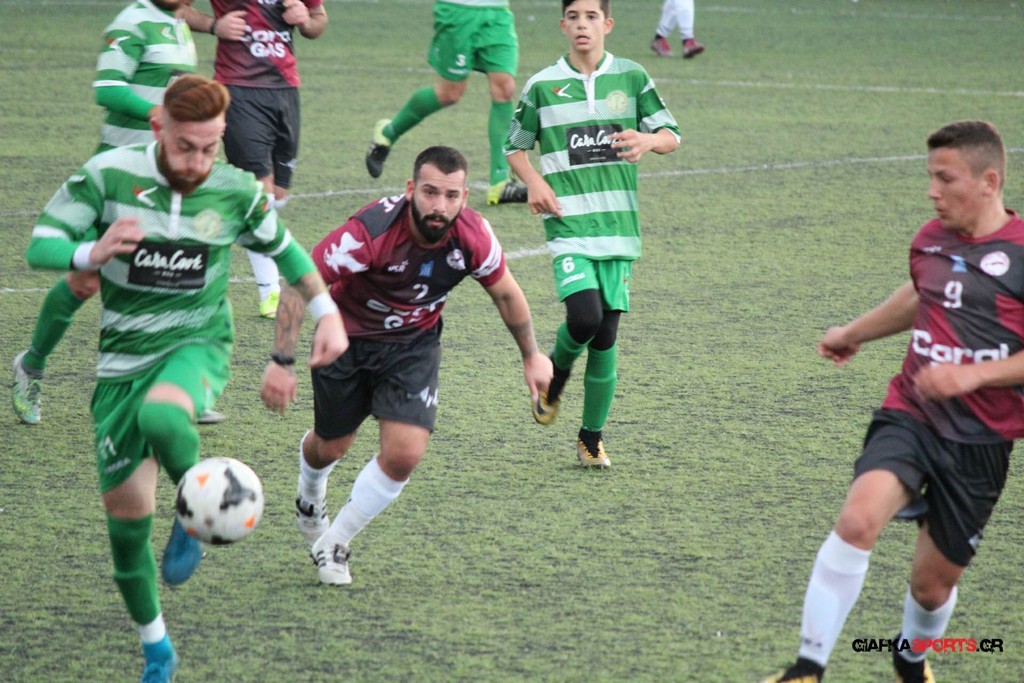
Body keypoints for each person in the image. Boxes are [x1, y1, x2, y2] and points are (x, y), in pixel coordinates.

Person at [24, 74, 347, 682]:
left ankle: (191, 509)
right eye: (184, 147)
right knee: (125, 535)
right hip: (121, 363)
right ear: (158, 128)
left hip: (197, 344)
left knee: (163, 414)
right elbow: (40, 244)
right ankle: (156, 648)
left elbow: (286, 251)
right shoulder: (109, 176)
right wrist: (90, 253)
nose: (198, 162)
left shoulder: (234, 190)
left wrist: (326, 314)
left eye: (210, 147)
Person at [763, 120, 1024, 683]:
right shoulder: (931, 238)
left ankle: (910, 656)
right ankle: (807, 668)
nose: (932, 191)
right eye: (930, 177)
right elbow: (919, 294)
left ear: (989, 181)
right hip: (912, 412)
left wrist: (973, 376)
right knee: (858, 520)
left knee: (931, 589)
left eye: (945, 179)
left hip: (982, 440)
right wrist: (854, 332)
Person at [260, 146, 552, 585]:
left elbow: (507, 294)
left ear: (464, 197)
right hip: (347, 341)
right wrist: (282, 361)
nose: (440, 206)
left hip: (413, 346)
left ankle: (335, 542)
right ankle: (309, 494)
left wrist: (531, 355)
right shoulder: (370, 232)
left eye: (451, 196)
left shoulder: (473, 236)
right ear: (411, 189)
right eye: (430, 192)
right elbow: (300, 283)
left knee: (405, 453)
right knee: (332, 446)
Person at [9, 0, 229, 425]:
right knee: (84, 282)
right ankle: (31, 364)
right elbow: (107, 88)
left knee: (179, 277)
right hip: (119, 177)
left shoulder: (177, 23)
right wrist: (162, 114)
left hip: (167, 176)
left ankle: (179, 385)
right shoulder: (132, 22)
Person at [504, 0, 680, 468]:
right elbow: (514, 147)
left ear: (608, 24)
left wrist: (648, 140)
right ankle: (556, 379)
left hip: (618, 227)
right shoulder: (543, 85)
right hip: (568, 223)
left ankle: (590, 438)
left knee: (605, 335)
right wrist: (534, 182)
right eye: (574, 17)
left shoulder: (632, 77)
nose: (583, 25)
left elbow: (672, 135)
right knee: (584, 318)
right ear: (563, 25)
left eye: (591, 16)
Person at [183, 0, 329, 319]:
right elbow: (176, 8)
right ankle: (270, 290)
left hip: (285, 90)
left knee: (277, 197)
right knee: (260, 193)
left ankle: (220, 216)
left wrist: (305, 21)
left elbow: (318, 20)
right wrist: (214, 26)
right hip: (239, 89)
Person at [363, 0, 529, 206]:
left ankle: (500, 181)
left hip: (497, 11)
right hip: (457, 10)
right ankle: (388, 133)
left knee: (505, 88)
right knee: (449, 93)